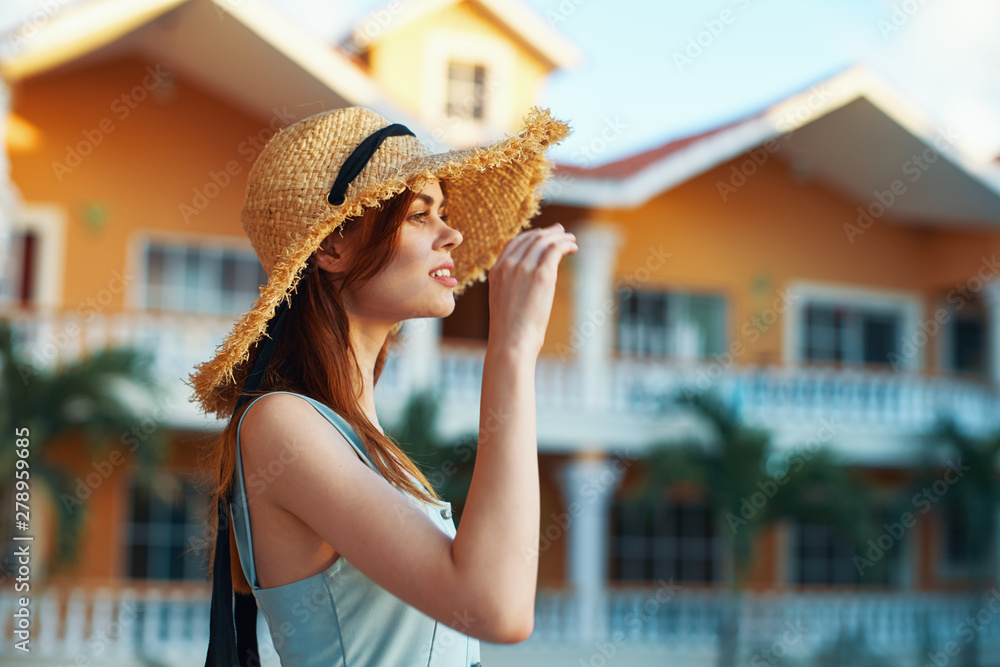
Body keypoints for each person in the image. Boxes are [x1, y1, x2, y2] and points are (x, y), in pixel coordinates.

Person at [188, 105, 575, 666]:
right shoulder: (281, 425)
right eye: (420, 215)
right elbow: (496, 609)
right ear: (331, 248)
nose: (452, 233)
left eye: (441, 211)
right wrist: (511, 353)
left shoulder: (358, 436)